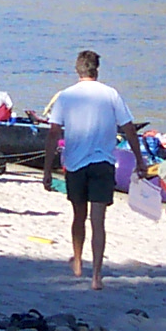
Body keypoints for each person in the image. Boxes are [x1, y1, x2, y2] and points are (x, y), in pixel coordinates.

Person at [40, 49, 146, 290]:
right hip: (103, 164)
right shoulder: (111, 95)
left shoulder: (66, 97)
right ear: (96, 70)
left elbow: (53, 134)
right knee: (98, 221)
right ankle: (96, 276)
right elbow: (129, 128)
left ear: (77, 70)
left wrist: (48, 170)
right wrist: (139, 160)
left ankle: (78, 262)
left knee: (78, 215)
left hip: (76, 165)